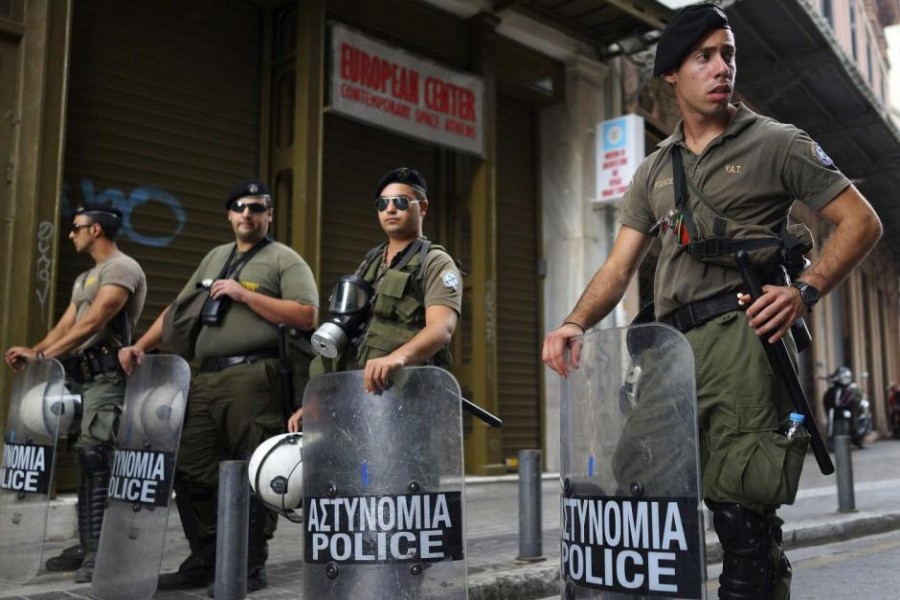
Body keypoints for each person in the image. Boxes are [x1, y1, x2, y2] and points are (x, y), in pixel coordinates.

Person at [541, 5, 882, 600]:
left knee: (743, 520)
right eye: (704, 56)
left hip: (744, 340)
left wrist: (804, 292)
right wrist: (573, 321)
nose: (721, 67)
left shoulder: (778, 143)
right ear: (672, 72)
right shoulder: (653, 171)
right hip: (669, 351)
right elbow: (619, 266)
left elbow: (861, 221)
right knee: (644, 505)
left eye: (728, 54)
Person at [118, 179, 318, 592]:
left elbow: (306, 315)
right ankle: (207, 556)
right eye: (240, 207)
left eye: (257, 208)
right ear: (229, 214)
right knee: (188, 466)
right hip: (203, 376)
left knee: (252, 468)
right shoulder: (215, 257)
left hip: (254, 378)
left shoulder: (284, 259)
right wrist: (139, 345)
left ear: (268, 216)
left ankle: (247, 564)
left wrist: (245, 297)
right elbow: (178, 310)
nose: (248, 214)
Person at [4, 204, 147, 583]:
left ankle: (102, 550)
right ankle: (88, 545)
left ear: (96, 230)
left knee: (97, 454)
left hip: (108, 377)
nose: (71, 234)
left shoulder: (121, 268)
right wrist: (36, 353)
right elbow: (68, 322)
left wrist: (45, 355)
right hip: (82, 378)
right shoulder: (86, 277)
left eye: (77, 228)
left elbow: (94, 322)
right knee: (86, 459)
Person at [288, 166, 461, 432]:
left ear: (422, 207)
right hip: (358, 398)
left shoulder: (435, 261)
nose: (390, 209)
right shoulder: (370, 262)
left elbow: (441, 328)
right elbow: (346, 329)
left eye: (400, 202)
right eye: (383, 204)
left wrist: (398, 358)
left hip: (407, 399)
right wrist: (317, 400)